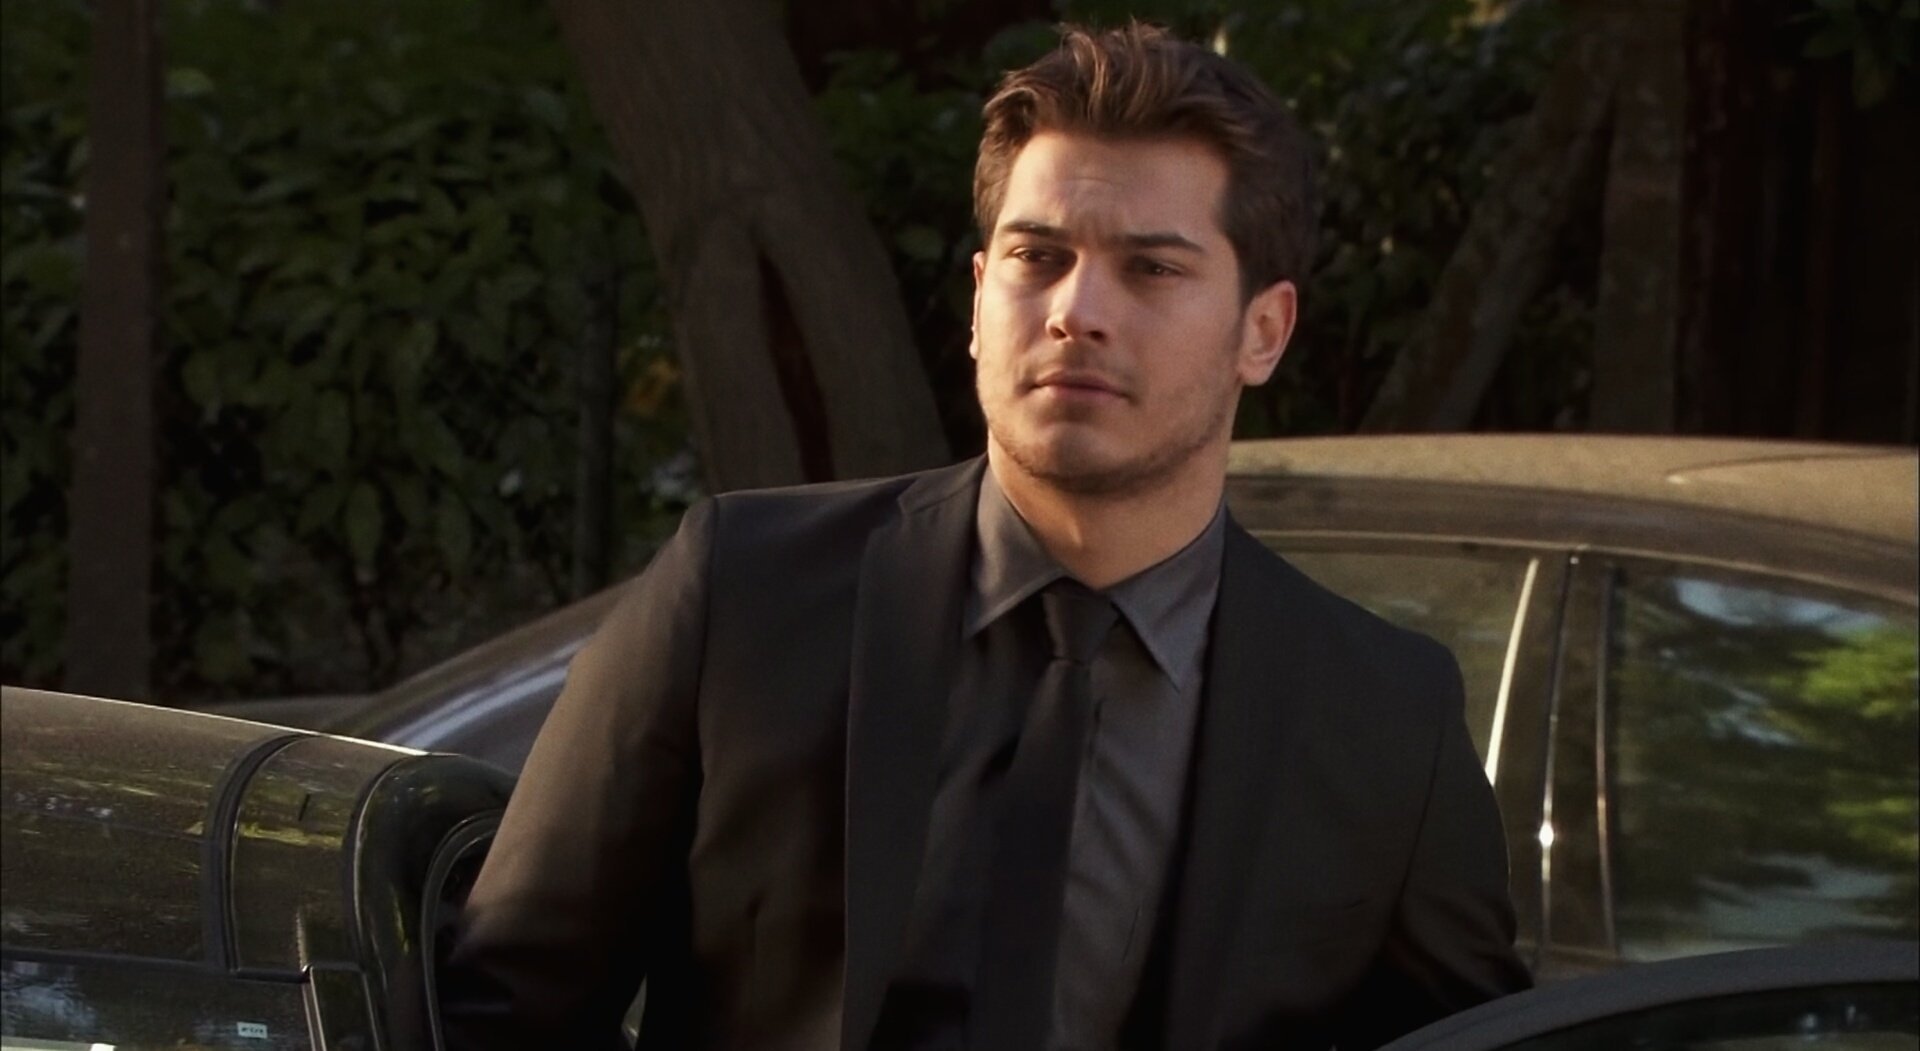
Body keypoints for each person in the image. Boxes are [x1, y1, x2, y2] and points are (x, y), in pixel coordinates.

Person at [440, 21, 1529, 1051]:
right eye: (1038, 256)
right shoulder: (745, 595)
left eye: (1151, 268)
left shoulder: (1381, 716)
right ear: (977, 299)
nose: (1076, 311)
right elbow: (509, 1004)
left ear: (1264, 330)